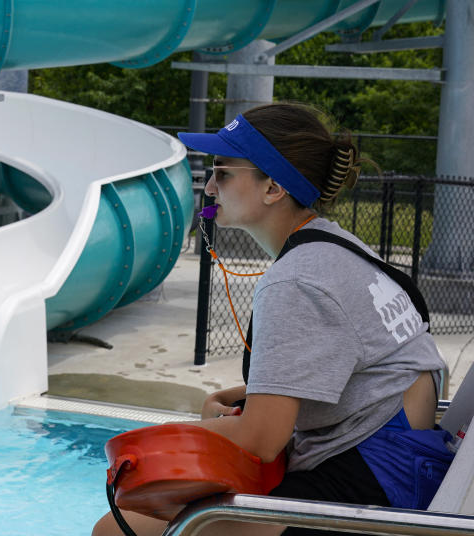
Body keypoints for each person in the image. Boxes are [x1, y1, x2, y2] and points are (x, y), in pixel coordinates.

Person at [94, 103, 453, 536]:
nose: (209, 188)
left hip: (371, 489)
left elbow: (263, 440)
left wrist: (193, 433)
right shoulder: (340, 248)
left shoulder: (297, 280)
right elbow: (368, 370)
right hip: (411, 466)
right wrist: (250, 400)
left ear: (273, 188)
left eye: (223, 172)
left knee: (117, 529)